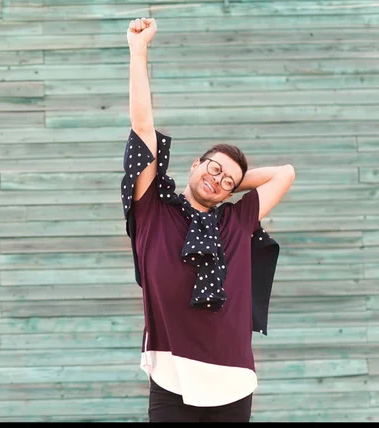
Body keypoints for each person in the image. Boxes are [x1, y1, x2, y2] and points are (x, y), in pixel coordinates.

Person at [121, 17, 296, 422]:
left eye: (228, 180)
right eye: (212, 168)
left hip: (233, 380)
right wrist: (138, 50)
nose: (217, 179)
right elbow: (142, 129)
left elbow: (284, 173)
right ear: (194, 164)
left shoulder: (236, 221)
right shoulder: (154, 210)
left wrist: (229, 187)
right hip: (171, 376)